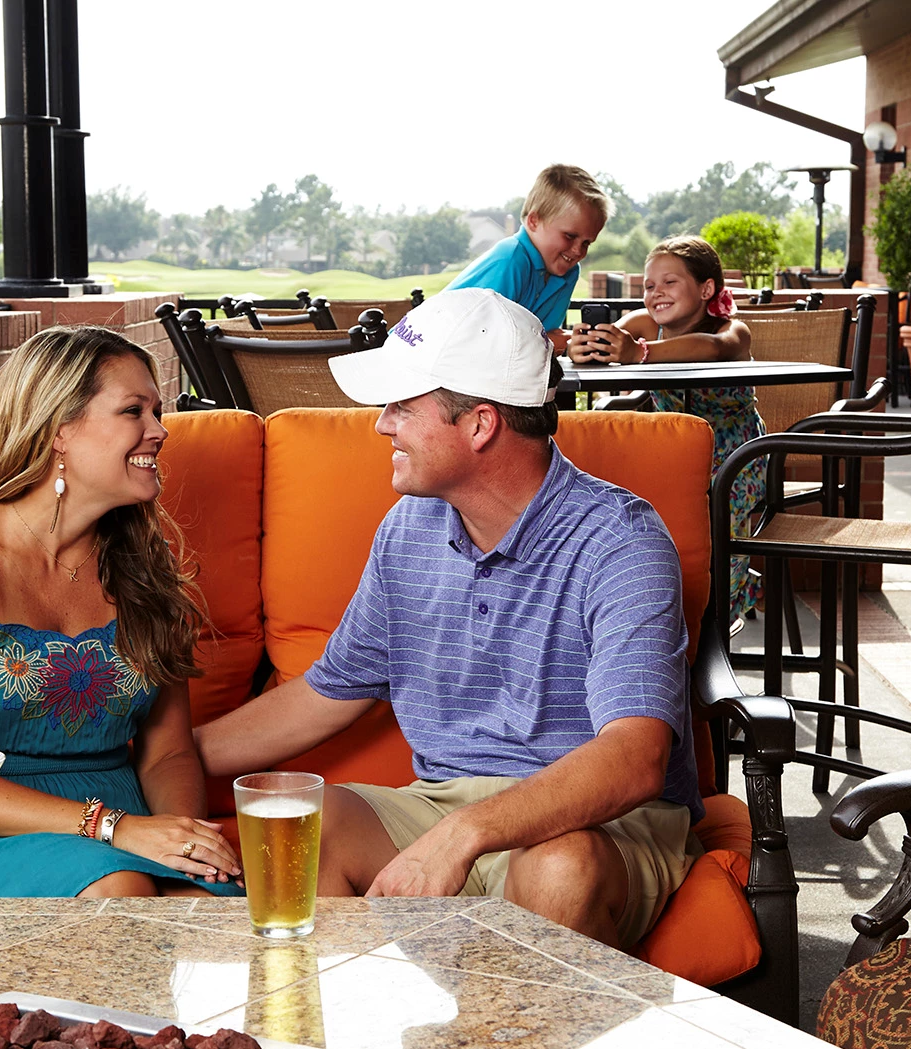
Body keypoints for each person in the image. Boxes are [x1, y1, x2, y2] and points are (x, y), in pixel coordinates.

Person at [194, 289, 701, 949]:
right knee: (306, 827)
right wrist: (168, 756)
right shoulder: (408, 528)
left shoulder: (619, 540)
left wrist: (463, 838)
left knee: (560, 865)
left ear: (481, 425)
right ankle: (343, 1035)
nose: (382, 425)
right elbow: (327, 692)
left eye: (402, 406)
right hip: (440, 802)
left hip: (600, 822)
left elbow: (635, 761)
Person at [0, 324, 244, 900]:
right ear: (60, 429)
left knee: (206, 908)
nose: (159, 431)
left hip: (119, 827)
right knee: (120, 891)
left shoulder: (144, 561)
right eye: (134, 410)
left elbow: (169, 751)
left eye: (157, 410)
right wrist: (117, 830)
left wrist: (185, 842)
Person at [567, 236, 765, 621]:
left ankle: (709, 619)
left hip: (735, 458)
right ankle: (639, 607)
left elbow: (711, 349)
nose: (656, 293)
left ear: (706, 288)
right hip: (676, 455)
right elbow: (615, 343)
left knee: (707, 515)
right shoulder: (645, 325)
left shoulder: (733, 331)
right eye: (649, 285)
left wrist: (639, 354)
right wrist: (591, 348)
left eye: (669, 282)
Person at [445, 164, 608, 354]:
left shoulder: (570, 273)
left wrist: (573, 345)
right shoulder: (510, 259)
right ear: (534, 221)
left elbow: (544, 336)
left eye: (587, 243)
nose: (578, 251)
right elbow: (482, 340)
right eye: (570, 236)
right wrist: (557, 343)